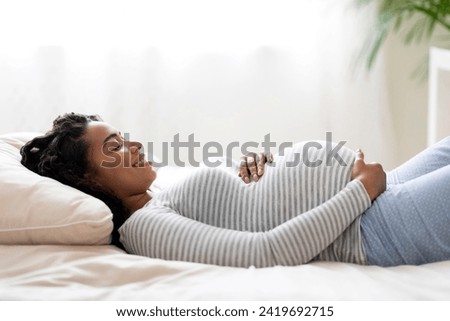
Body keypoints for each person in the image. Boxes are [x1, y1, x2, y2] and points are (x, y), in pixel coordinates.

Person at [20, 112, 450, 267]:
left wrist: (253, 176)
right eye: (113, 147)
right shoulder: (144, 228)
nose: (132, 145)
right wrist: (359, 190)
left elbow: (245, 215)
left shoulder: (159, 196)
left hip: (377, 199)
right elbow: (264, 252)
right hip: (375, 229)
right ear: (88, 180)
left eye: (123, 136)